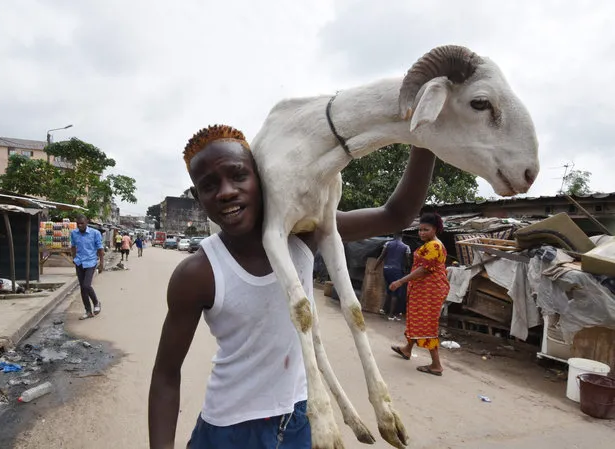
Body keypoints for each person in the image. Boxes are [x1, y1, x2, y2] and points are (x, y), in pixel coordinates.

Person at [148, 124, 436, 449]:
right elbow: (165, 375)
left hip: (300, 420)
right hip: (228, 431)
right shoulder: (198, 272)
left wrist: (424, 134)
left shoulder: (304, 236)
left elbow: (395, 214)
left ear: (263, 178)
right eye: (209, 185)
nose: (226, 191)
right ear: (198, 198)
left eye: (238, 175)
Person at [389, 212, 450, 376]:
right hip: (423, 290)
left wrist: (401, 281)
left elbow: (424, 270)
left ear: (435, 229)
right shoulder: (431, 244)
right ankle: (407, 350)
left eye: (426, 229)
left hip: (430, 291)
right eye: (420, 229)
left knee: (426, 324)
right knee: (416, 320)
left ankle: (436, 365)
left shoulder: (434, 246)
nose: (422, 233)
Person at [70, 215, 104, 320]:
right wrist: (74, 259)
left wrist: (102, 263)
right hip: (79, 262)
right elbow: (73, 247)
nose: (80, 225)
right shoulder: (74, 233)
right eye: (78, 223)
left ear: (87, 222)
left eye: (82, 223)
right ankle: (88, 311)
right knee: (82, 288)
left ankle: (96, 302)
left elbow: (100, 249)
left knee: (86, 285)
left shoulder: (95, 233)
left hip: (90, 262)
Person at [375, 234, 411, 321]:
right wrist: (407, 268)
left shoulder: (387, 244)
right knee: (396, 293)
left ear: (394, 236)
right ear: (402, 237)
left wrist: (375, 267)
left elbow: (381, 257)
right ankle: (391, 315)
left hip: (386, 269)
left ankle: (383, 309)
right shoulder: (406, 247)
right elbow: (407, 261)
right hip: (397, 270)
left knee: (389, 289)